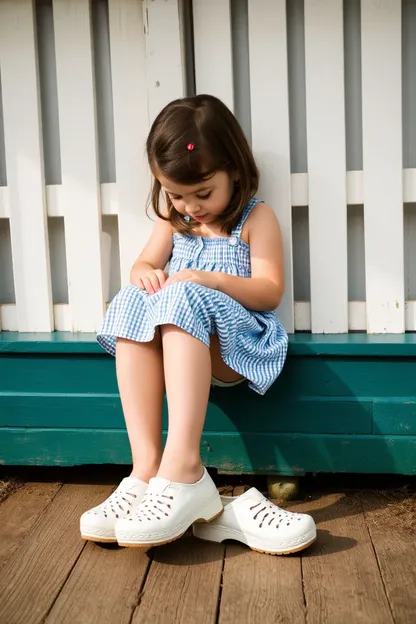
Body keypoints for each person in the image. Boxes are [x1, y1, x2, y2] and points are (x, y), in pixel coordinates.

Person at [80, 94, 289, 549]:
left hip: (238, 346)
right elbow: (142, 265)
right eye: (176, 194)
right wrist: (149, 274)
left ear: (234, 170)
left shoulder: (256, 218)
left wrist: (208, 280)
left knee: (184, 292)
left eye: (203, 193)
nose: (190, 206)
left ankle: (184, 466)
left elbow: (270, 290)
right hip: (182, 337)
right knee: (136, 297)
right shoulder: (175, 222)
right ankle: (146, 469)